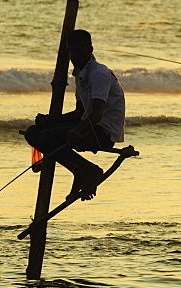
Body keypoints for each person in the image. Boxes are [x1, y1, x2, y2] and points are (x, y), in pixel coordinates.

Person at [23, 29, 126, 201]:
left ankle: (89, 171)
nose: (73, 56)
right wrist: (51, 120)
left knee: (48, 138)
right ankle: (80, 171)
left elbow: (96, 114)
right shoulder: (80, 74)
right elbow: (80, 113)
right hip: (89, 125)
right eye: (71, 51)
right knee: (33, 133)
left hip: (103, 132)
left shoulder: (99, 73)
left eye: (78, 51)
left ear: (90, 50)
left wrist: (77, 132)